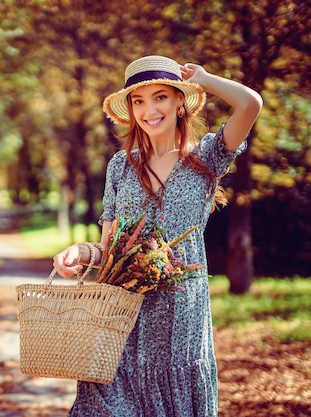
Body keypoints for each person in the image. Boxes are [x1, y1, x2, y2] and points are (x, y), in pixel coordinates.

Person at [52, 55, 263, 417]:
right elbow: (108, 249)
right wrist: (79, 253)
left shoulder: (208, 157)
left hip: (181, 323)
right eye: (139, 101)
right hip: (122, 320)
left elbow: (250, 104)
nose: (149, 110)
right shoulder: (120, 166)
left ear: (180, 102)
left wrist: (204, 78)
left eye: (160, 97)